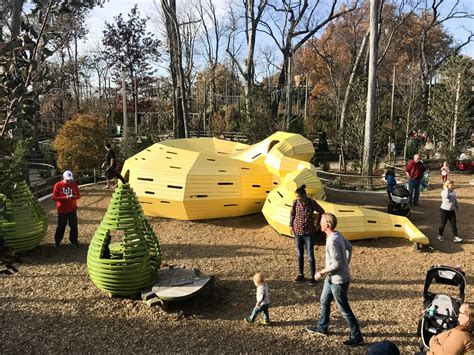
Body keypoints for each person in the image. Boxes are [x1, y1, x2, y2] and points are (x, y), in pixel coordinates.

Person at [306, 213, 364, 347]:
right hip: (331, 278)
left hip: (338, 281)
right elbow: (349, 248)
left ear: (327, 225)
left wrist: (321, 272)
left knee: (344, 309)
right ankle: (322, 327)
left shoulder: (332, 241)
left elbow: (336, 264)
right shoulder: (337, 234)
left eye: (321, 221)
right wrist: (346, 263)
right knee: (324, 300)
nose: (319, 223)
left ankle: (357, 336)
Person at [289, 184, 325, 286]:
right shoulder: (295, 203)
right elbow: (292, 214)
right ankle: (301, 274)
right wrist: (291, 226)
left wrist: (318, 224)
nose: (298, 198)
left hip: (309, 232)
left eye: (299, 196)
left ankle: (313, 277)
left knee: (310, 254)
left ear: (304, 195)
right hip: (297, 232)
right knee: (299, 253)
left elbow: (321, 211)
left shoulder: (312, 202)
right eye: (296, 197)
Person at [52, 170, 81, 248]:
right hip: (62, 210)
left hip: (72, 209)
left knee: (74, 226)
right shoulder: (58, 185)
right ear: (63, 177)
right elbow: (54, 197)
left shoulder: (74, 185)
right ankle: (57, 240)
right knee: (61, 226)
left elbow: (78, 195)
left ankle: (74, 241)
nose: (68, 181)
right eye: (67, 179)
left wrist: (74, 197)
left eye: (70, 179)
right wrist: (65, 197)